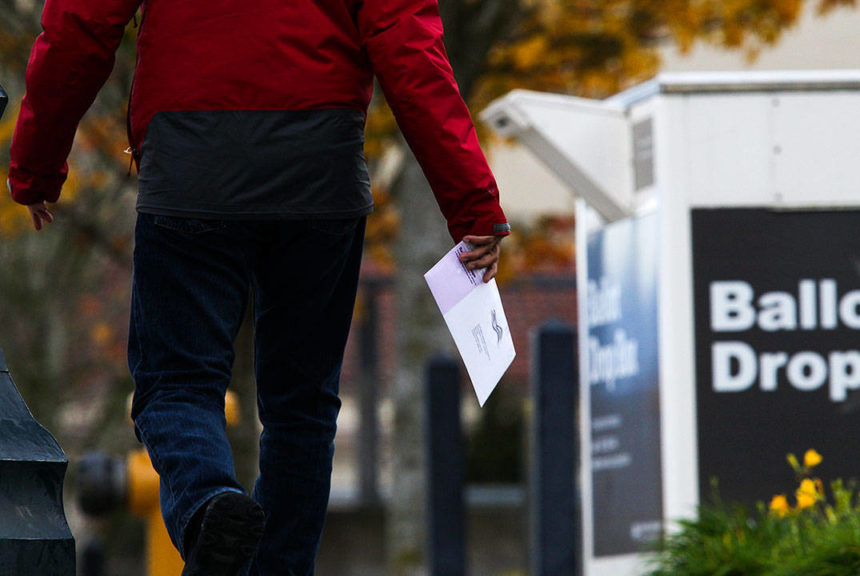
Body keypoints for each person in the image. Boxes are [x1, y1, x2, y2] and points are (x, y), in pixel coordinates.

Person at [7, 0, 509, 574]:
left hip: (192, 163)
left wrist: (38, 162)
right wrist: (470, 203)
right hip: (321, 171)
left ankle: (206, 504)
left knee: (176, 385)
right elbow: (409, 47)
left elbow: (79, 24)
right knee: (303, 408)